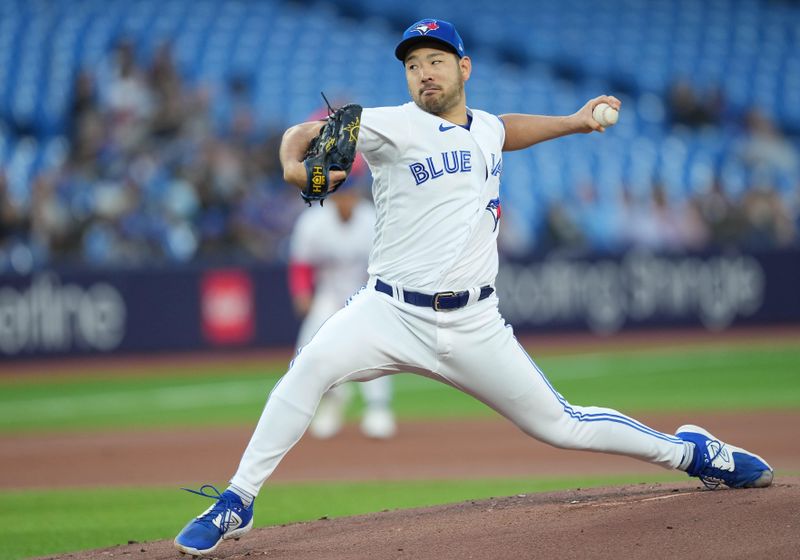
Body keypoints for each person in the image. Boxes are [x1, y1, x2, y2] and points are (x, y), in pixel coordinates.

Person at [174, 19, 773, 557]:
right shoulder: (387, 125)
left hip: (475, 326)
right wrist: (290, 165)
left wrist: (573, 122)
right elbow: (298, 135)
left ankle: (694, 453)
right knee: (307, 369)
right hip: (388, 312)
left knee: (562, 425)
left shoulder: (483, 128)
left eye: (435, 60)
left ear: (464, 68)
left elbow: (502, 129)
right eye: (412, 64)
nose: (422, 72)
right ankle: (237, 499)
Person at [288, 177, 396, 440]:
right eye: (342, 194)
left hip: (364, 292)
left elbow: (388, 265)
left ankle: (378, 408)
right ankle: (333, 400)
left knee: (374, 348)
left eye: (351, 194)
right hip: (329, 294)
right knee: (307, 350)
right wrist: (302, 293)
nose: (347, 199)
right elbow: (301, 264)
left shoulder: (372, 220)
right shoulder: (313, 222)